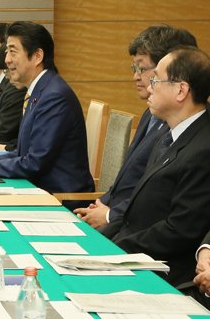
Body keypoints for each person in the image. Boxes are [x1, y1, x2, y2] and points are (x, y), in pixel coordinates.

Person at [102, 47, 210, 289]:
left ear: (181, 90)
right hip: (133, 252)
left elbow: (180, 230)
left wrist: (115, 251)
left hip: (161, 272)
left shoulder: (203, 149)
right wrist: (100, 242)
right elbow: (135, 212)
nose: (149, 87)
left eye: (155, 80)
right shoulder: (168, 136)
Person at [75, 26, 197, 229]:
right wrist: (102, 205)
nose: (136, 77)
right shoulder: (151, 114)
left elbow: (157, 198)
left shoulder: (183, 126)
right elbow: (129, 179)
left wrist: (110, 215)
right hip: (114, 217)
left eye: (143, 69)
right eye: (135, 69)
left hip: (135, 228)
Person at [0, 21, 94, 195]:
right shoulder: (40, 90)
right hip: (38, 188)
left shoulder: (54, 96)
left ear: (37, 56)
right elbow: (23, 152)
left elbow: (35, 163)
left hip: (60, 197)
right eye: (6, 52)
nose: (7, 59)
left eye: (12, 51)